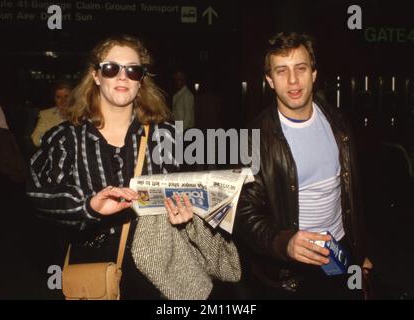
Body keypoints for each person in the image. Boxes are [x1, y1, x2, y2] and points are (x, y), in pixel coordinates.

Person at [26, 35, 228, 299]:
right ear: (96, 75)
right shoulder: (66, 138)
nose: (123, 77)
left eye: (132, 70)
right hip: (94, 267)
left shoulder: (166, 136)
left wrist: (187, 216)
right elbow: (38, 192)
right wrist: (87, 206)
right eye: (112, 68)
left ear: (141, 80)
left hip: (158, 269)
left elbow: (194, 191)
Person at [235, 32, 372, 299]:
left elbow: (353, 194)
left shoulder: (339, 123)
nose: (293, 80)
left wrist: (360, 254)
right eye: (282, 71)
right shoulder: (251, 139)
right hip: (289, 274)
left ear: (314, 73)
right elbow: (244, 214)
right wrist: (285, 243)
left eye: (301, 68)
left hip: (340, 257)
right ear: (269, 80)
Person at [31, 81, 72, 146]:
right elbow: (35, 139)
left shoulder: (81, 114)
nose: (63, 101)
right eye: (58, 97)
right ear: (54, 99)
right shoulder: (46, 115)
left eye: (66, 96)